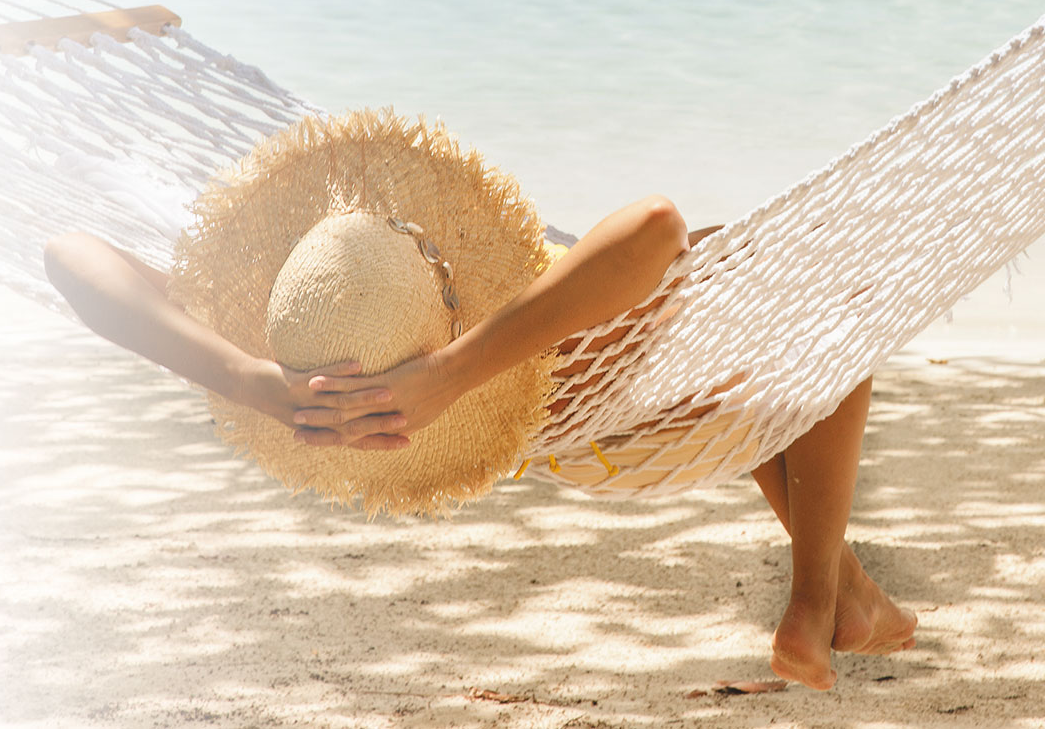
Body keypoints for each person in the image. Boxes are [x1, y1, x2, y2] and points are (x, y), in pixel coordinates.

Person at [46, 184, 918, 691]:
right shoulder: (493, 330)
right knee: (828, 295)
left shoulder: (294, 341)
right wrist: (453, 369)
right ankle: (815, 599)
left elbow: (69, 254)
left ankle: (849, 591)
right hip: (550, 363)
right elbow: (656, 225)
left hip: (552, 413)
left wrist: (244, 378)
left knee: (752, 371)